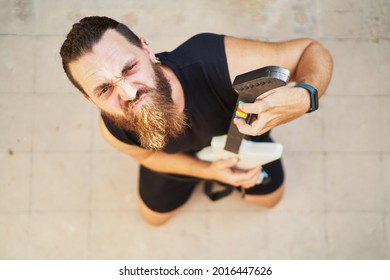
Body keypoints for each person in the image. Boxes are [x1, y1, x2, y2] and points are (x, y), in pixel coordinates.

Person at [60, 16, 333, 226]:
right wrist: (208, 172)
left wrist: (307, 95)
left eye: (130, 68)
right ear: (91, 101)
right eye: (104, 90)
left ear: (146, 50)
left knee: (269, 200)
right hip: (184, 157)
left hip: (239, 136)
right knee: (153, 218)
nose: (130, 93)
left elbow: (310, 50)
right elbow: (148, 158)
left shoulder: (216, 60)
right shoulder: (113, 128)